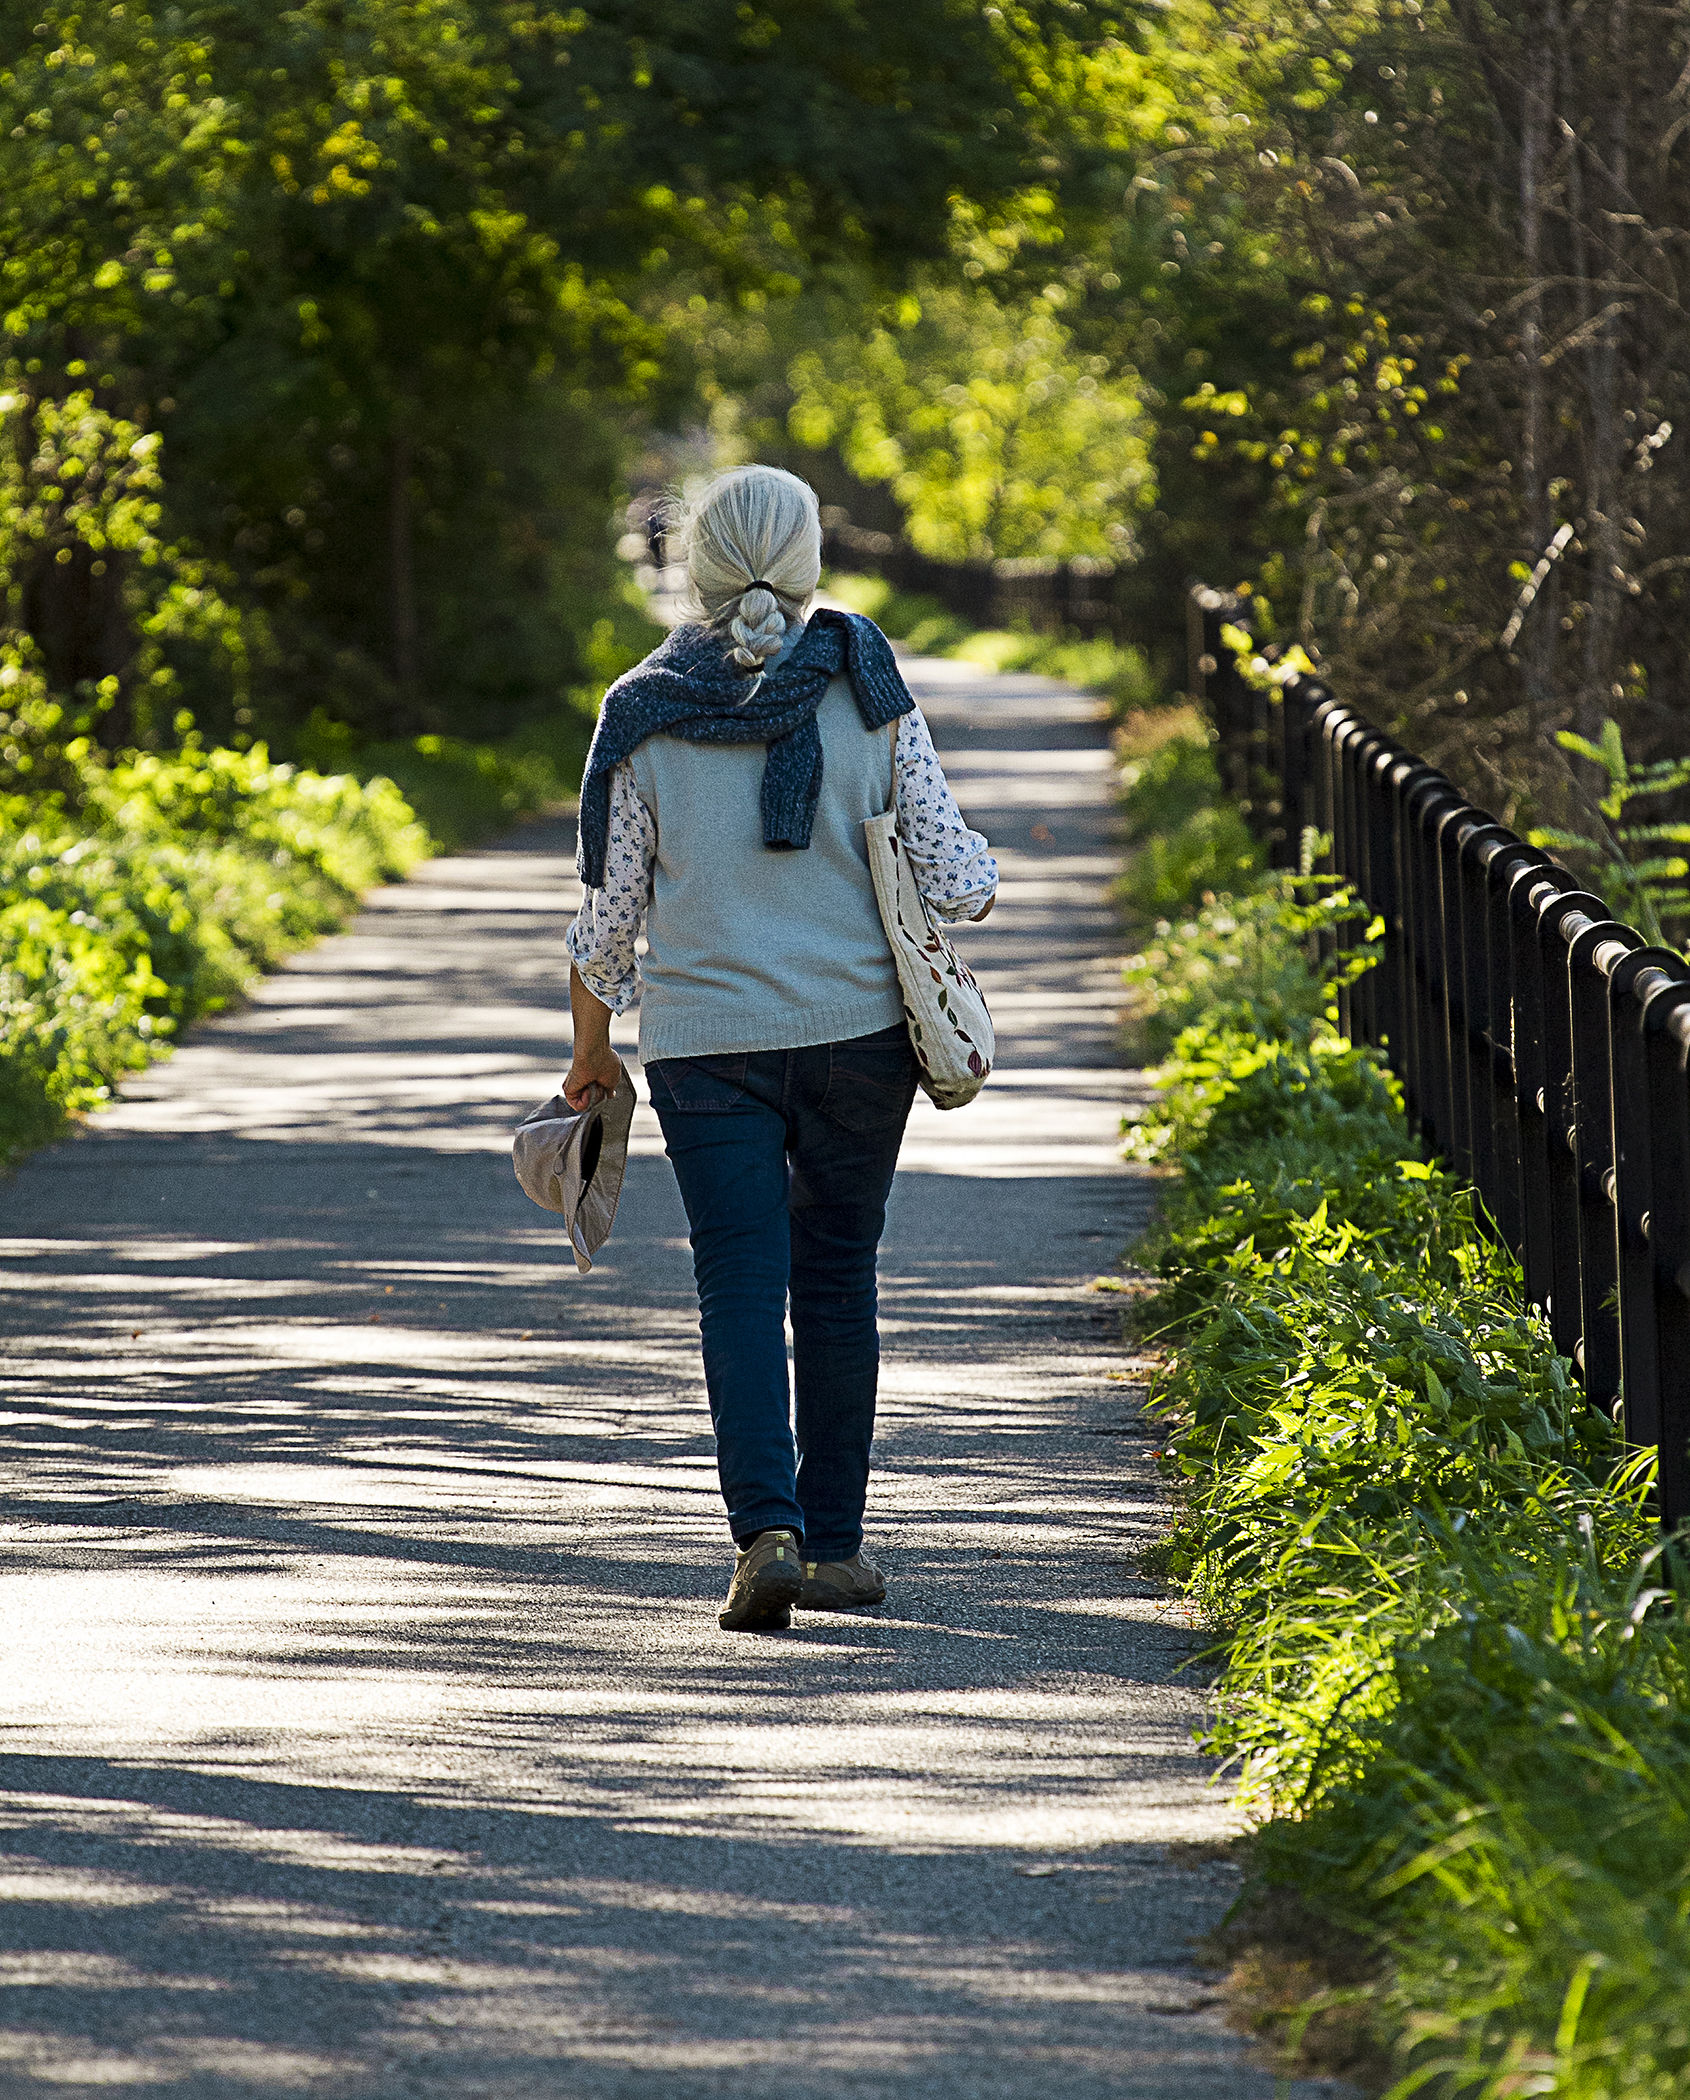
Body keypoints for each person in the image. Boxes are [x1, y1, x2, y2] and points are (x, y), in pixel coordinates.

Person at [562, 465, 997, 1632]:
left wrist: (589, 1055)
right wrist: (975, 875)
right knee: (838, 1272)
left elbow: (607, 925)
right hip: (859, 1038)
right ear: (810, 565)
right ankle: (841, 1543)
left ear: (697, 567)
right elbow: (955, 881)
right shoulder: (866, 678)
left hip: (706, 1049)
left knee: (738, 1284)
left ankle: (768, 1532)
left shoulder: (640, 708)